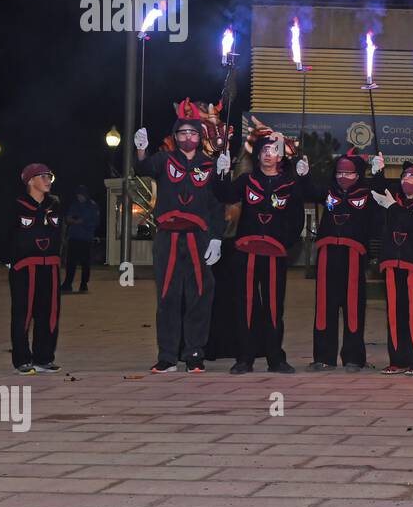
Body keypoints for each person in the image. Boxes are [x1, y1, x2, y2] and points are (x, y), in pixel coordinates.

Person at [134, 99, 227, 374]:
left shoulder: (209, 165)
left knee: (200, 294)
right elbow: (142, 169)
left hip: (198, 237)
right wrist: (141, 150)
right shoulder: (164, 160)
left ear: (201, 137)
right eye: (183, 133)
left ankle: (195, 353)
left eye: (193, 133)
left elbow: (217, 204)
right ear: (175, 137)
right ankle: (167, 355)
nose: (188, 137)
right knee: (167, 295)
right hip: (168, 238)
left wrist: (217, 238)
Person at [215, 129, 312, 374]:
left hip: (274, 254)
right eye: (264, 151)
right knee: (245, 305)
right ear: (257, 155)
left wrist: (283, 243)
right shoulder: (247, 181)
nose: (269, 155)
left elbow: (297, 217)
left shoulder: (290, 184)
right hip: (246, 252)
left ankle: (275, 358)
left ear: (281, 156)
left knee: (273, 307)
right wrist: (221, 172)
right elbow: (224, 195)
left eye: (274, 151)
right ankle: (244, 358)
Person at [304, 148, 379, 372]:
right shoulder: (328, 191)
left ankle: (354, 358)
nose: (343, 177)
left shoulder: (367, 193)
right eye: (339, 173)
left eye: (348, 173)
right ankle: (323, 357)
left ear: (358, 174)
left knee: (354, 307)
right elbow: (307, 192)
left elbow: (380, 210)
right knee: (324, 306)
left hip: (354, 255)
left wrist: (380, 174)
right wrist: (303, 174)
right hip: (328, 254)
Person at [371, 157, 413, 374]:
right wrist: (377, 174)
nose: (406, 179)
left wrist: (392, 208)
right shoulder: (395, 199)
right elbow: (376, 198)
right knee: (394, 312)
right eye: (404, 175)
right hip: (393, 262)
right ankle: (397, 360)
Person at [0, 164, 63, 374]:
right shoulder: (16, 206)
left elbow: (61, 234)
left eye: (49, 176)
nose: (47, 180)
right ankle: (22, 359)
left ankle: (44, 358)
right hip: (25, 267)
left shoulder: (54, 205)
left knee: (49, 313)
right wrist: (9, 260)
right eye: (42, 176)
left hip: (50, 267)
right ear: (30, 181)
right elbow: (2, 234)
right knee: (23, 313)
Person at [60, 186, 99, 293]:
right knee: (70, 262)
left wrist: (80, 221)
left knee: (85, 263)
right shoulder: (75, 205)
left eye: (80, 195)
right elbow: (68, 218)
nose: (79, 197)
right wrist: (75, 221)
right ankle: (67, 284)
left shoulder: (92, 206)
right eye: (78, 195)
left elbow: (95, 221)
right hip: (74, 237)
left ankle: (84, 284)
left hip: (86, 238)